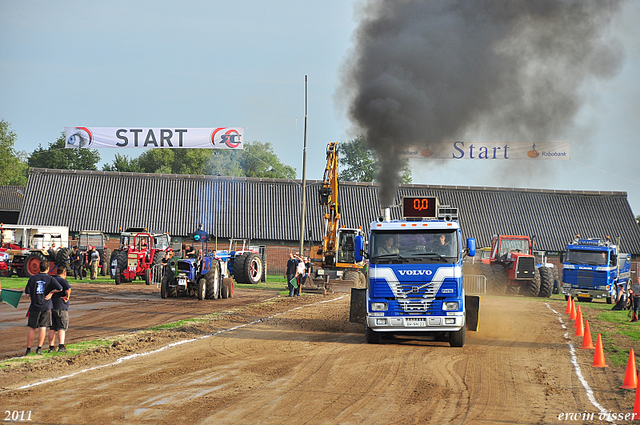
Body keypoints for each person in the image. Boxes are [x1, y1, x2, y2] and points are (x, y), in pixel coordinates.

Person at [24, 260, 62, 355]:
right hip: (46, 306)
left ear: (39, 268)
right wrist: (51, 293)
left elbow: (27, 294)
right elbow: (60, 288)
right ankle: (39, 349)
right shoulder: (50, 279)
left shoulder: (32, 279)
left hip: (34, 305)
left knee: (32, 328)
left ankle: (28, 349)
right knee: (43, 327)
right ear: (48, 268)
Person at [48, 266, 71, 353]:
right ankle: (61, 346)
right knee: (62, 327)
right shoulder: (63, 280)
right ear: (64, 273)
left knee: (52, 328)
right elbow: (68, 288)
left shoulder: (52, 280)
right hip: (61, 306)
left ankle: (51, 347)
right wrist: (67, 297)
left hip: (51, 305)